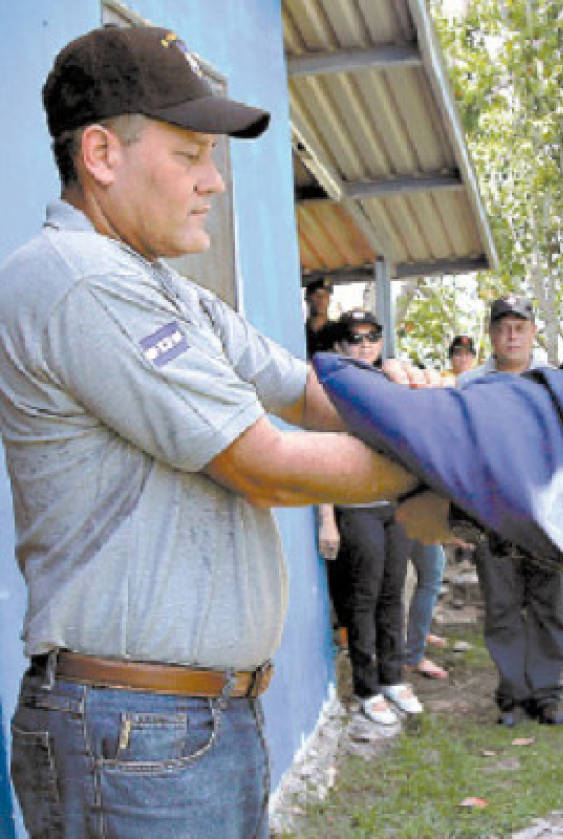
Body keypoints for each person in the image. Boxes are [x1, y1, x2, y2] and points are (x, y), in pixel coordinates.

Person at [0, 26, 428, 838]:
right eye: (192, 153)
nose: (215, 183)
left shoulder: (163, 287)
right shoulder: (78, 282)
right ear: (101, 153)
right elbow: (266, 465)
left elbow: (304, 388)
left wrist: (413, 408)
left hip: (181, 724)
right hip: (135, 732)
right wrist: (439, 466)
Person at [459, 295, 563, 727]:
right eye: (503, 326)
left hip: (546, 515)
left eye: (520, 327)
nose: (511, 335)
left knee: (548, 605)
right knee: (502, 607)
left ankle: (546, 695)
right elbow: (461, 453)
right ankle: (512, 696)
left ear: (533, 332)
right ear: (491, 333)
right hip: (493, 514)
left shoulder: (554, 381)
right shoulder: (470, 386)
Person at [317, 310, 427, 726]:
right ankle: (367, 688)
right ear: (341, 346)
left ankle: (393, 677)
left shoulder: (388, 383)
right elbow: (322, 456)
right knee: (361, 599)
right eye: (355, 338)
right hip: (354, 507)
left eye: (371, 338)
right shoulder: (331, 388)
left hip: (392, 506)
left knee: (392, 593)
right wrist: (326, 518)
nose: (364, 345)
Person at [305, 278, 339, 357]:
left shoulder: (338, 331)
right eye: (317, 295)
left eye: (325, 295)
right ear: (307, 299)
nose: (321, 299)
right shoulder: (299, 332)